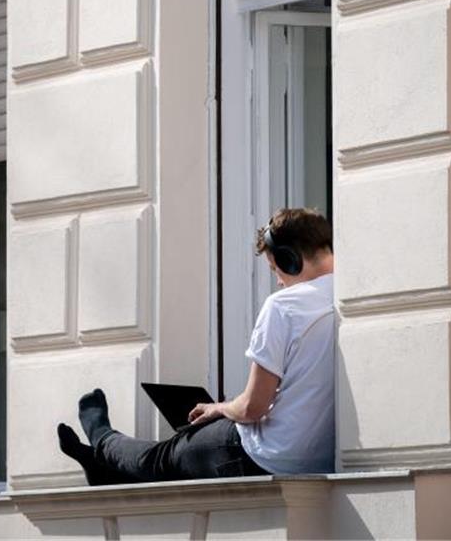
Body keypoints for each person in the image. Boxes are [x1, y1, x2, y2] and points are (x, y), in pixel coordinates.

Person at [56, 207, 336, 484]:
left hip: (264, 455)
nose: (278, 281)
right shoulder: (348, 298)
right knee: (183, 453)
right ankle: (103, 470)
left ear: (290, 260)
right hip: (321, 460)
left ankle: (102, 439)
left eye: (276, 270)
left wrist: (220, 408)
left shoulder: (284, 306)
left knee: (162, 458)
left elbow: (252, 408)